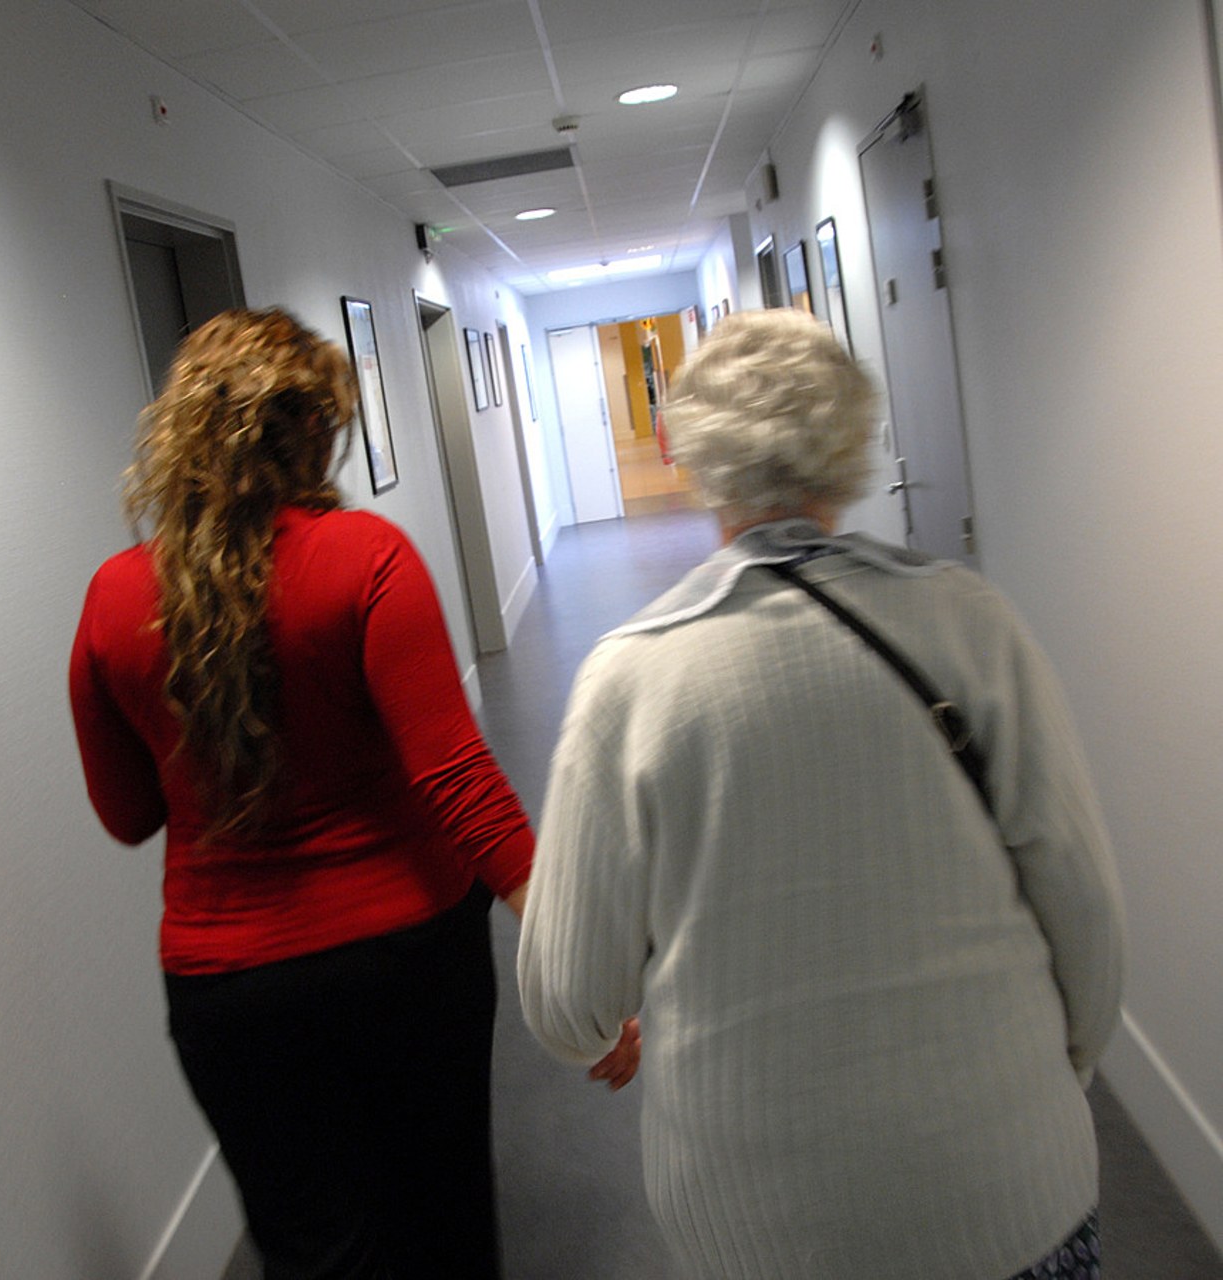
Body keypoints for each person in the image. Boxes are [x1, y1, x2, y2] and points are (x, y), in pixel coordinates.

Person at [518, 309, 1125, 1279]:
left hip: (764, 1226)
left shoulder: (628, 680)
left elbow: (565, 1003)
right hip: (1009, 1182)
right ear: (851, 439)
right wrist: (1049, 1079)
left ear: (683, 450)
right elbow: (1083, 907)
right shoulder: (971, 621)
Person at [69, 307, 534, 1278]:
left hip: (227, 985)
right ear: (314, 425)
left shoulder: (114, 597)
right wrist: (573, 942)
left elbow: (128, 815)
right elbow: (454, 775)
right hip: (407, 957)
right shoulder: (365, 556)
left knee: (313, 1245)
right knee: (440, 1216)